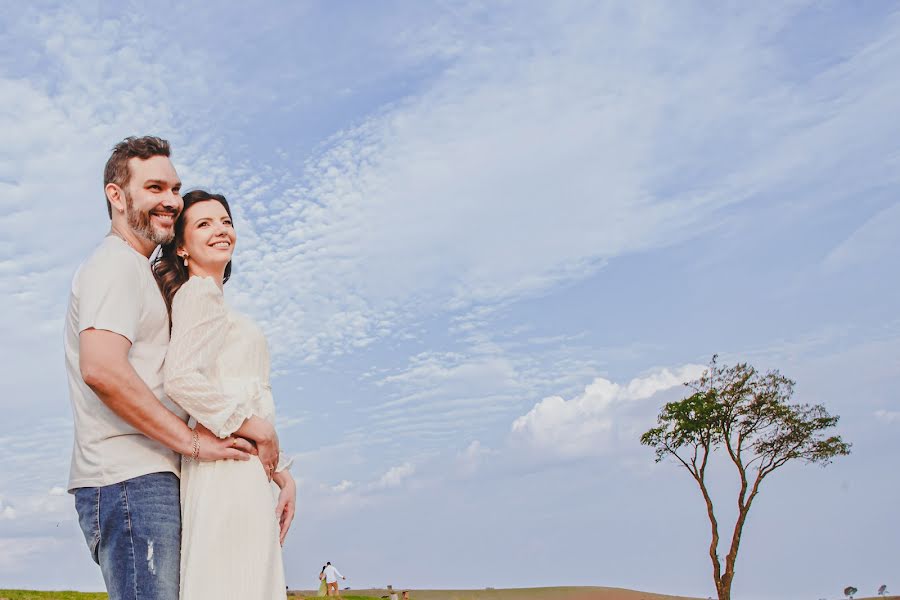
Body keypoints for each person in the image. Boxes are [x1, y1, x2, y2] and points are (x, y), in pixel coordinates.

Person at [66, 136, 257, 600]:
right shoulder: (114, 266)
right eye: (154, 187)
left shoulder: (137, 272)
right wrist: (192, 442)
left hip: (147, 476)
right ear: (117, 196)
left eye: (175, 188)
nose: (170, 200)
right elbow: (102, 370)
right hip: (127, 479)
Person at [157, 189, 297, 599]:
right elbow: (181, 379)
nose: (221, 230)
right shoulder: (198, 294)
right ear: (182, 247)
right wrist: (260, 430)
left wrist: (281, 472)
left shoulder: (216, 303)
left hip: (242, 467)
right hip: (226, 470)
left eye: (226, 221)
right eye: (204, 224)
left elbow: (240, 392)